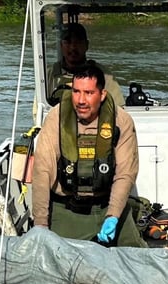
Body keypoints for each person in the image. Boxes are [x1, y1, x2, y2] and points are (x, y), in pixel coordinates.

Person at [31, 64, 146, 248]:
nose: (81, 100)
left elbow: (126, 173)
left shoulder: (121, 121)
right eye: (76, 92)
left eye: (88, 93)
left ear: (102, 95)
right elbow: (42, 171)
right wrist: (41, 224)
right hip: (66, 208)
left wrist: (113, 215)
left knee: (139, 260)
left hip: (107, 206)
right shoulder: (56, 117)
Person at [47, 22, 125, 108]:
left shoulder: (104, 75)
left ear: (86, 45)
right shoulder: (49, 75)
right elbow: (38, 111)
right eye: (68, 42)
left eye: (78, 42)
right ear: (61, 46)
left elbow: (118, 109)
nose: (73, 47)